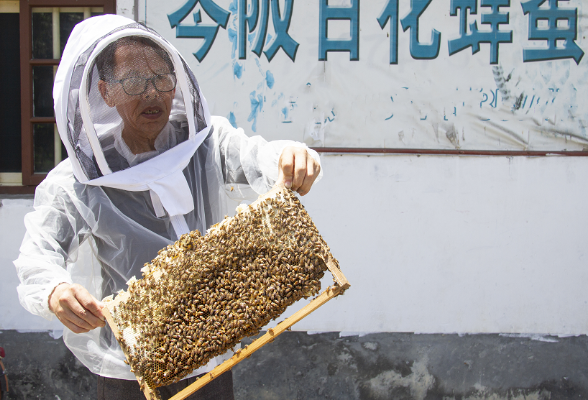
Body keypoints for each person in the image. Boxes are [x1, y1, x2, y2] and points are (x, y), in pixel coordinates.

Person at [14, 15, 322, 400]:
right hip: (132, 372)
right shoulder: (78, 182)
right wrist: (55, 291)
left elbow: (258, 156)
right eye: (134, 82)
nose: (152, 94)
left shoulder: (206, 143)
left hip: (210, 357)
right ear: (105, 93)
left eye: (162, 78)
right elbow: (37, 256)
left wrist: (290, 155)